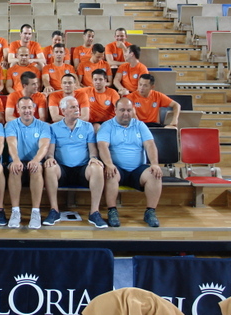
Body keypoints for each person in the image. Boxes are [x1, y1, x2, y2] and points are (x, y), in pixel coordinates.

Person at [42, 96, 107, 228]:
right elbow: (50, 151)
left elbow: (92, 150)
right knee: (49, 166)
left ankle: (94, 212)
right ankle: (54, 210)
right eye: (72, 107)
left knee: (97, 167)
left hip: (83, 169)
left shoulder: (87, 127)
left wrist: (94, 158)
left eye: (77, 106)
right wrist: (50, 158)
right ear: (63, 111)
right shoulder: (53, 128)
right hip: (62, 169)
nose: (77, 109)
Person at [97, 97, 163, 228]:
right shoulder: (107, 126)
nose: (126, 113)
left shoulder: (140, 125)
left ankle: (150, 212)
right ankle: (112, 211)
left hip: (138, 169)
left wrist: (154, 163)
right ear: (115, 110)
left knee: (155, 174)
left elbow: (150, 145)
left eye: (129, 110)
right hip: (117, 168)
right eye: (122, 110)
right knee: (110, 173)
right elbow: (102, 146)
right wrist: (109, 164)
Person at [5, 96, 51, 229]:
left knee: (37, 169)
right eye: (24, 108)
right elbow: (12, 144)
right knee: (15, 168)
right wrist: (15, 159)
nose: (27, 111)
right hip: (17, 159)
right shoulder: (11, 125)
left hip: (34, 159)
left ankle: (35, 212)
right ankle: (15, 211)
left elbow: (44, 146)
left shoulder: (43, 126)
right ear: (18, 109)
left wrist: (36, 160)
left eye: (29, 107)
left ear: (34, 109)